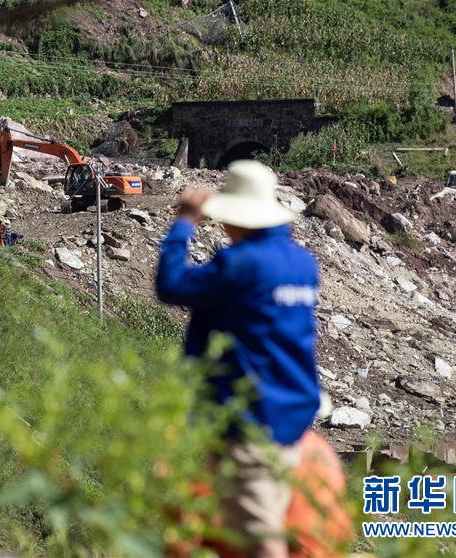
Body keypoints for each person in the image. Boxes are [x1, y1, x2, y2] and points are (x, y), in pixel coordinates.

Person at [155, 161, 320, 558]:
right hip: (292, 414)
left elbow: (171, 285)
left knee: (260, 541)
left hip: (249, 421)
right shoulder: (302, 264)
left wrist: (184, 223)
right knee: (269, 520)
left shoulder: (242, 264)